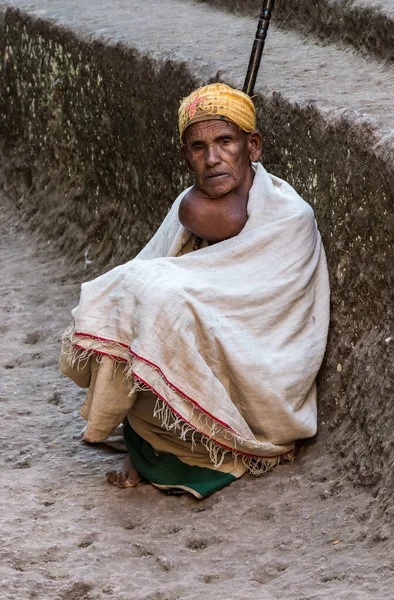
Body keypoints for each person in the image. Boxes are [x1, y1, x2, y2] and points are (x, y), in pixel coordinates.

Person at [60, 83, 330, 499]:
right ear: (185, 156)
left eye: (226, 141)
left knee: (164, 301)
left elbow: (262, 312)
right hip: (197, 349)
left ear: (252, 146)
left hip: (261, 367)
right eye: (198, 147)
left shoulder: (289, 218)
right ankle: (149, 447)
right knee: (131, 293)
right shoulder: (189, 206)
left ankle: (205, 448)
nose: (213, 158)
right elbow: (148, 268)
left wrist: (180, 298)